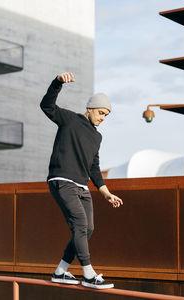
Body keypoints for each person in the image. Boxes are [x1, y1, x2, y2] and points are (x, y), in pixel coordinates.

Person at [40, 72, 123, 289]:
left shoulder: (97, 137)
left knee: (88, 229)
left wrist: (106, 192)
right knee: (80, 223)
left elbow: (94, 167)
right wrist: (57, 82)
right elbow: (47, 105)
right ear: (90, 108)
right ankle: (88, 274)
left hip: (82, 186)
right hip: (61, 180)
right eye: (100, 112)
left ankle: (60, 271)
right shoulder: (70, 120)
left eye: (106, 115)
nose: (102, 117)